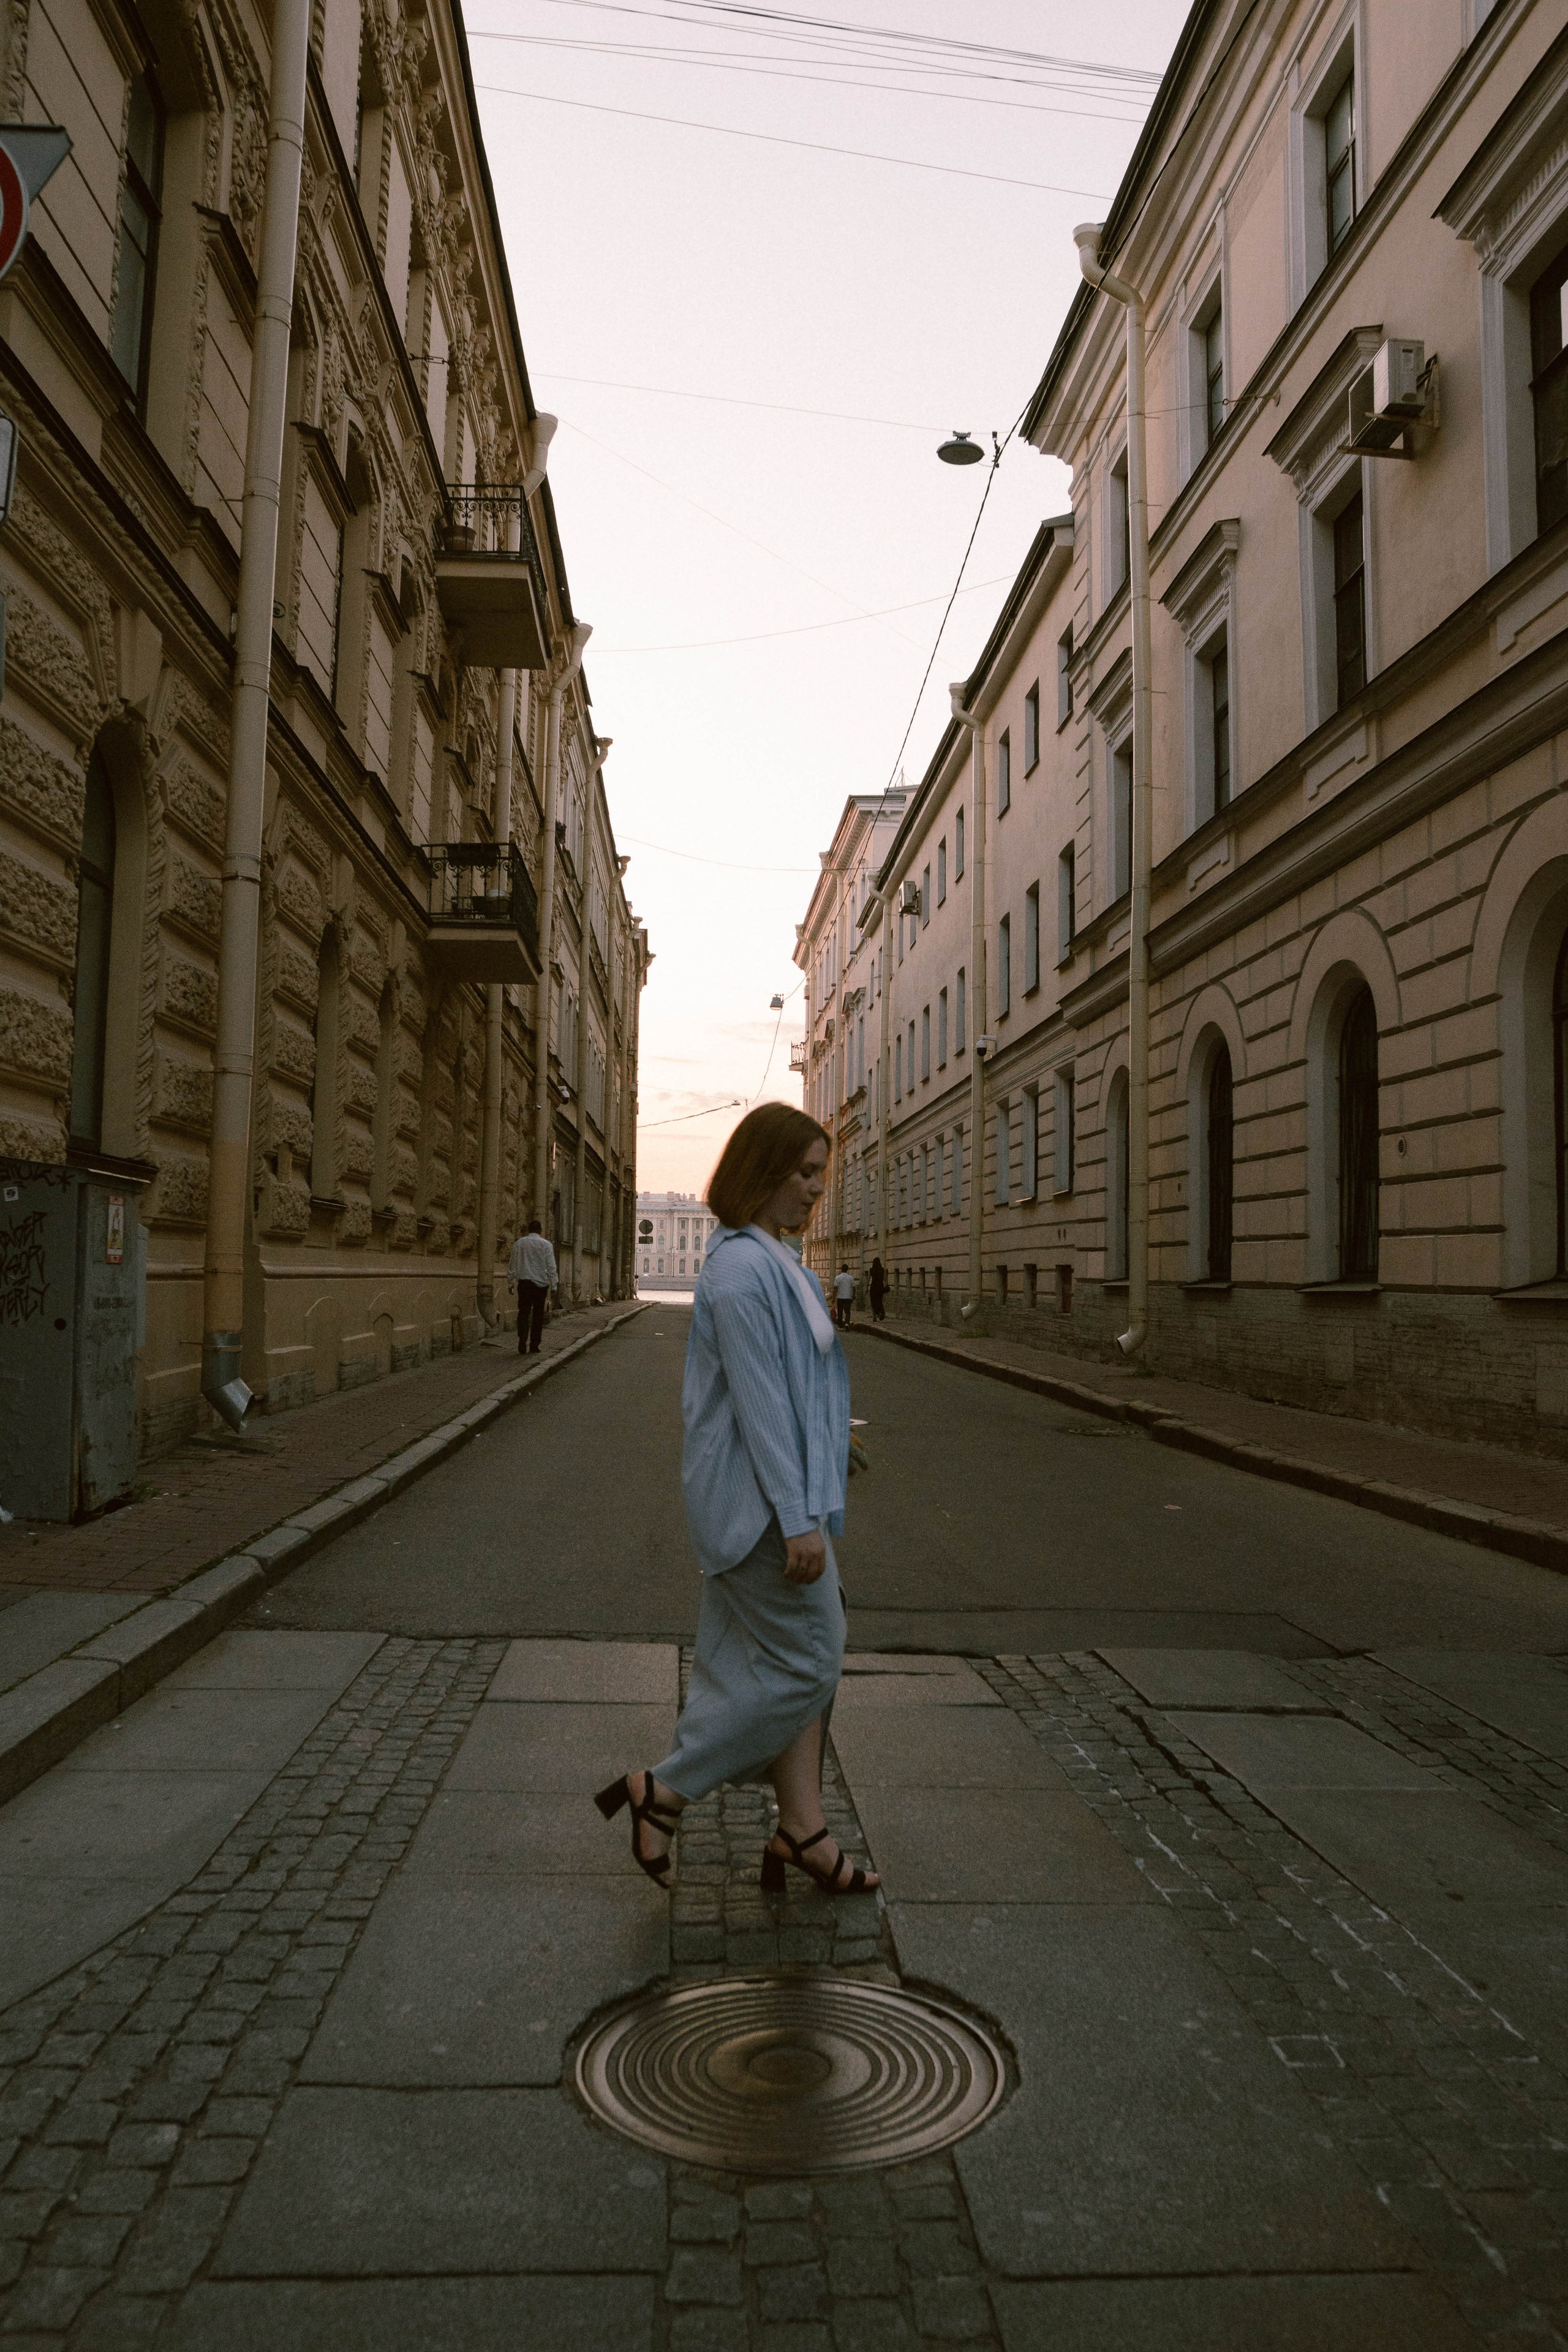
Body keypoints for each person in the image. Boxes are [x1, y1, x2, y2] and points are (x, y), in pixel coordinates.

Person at [595, 1102, 878, 1899]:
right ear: (761, 1173)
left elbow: (795, 1388)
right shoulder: (744, 1269)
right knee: (815, 1660)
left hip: (773, 1496)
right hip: (762, 1510)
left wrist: (833, 1445)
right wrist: (798, 1519)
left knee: (740, 1668)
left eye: (823, 1173)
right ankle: (666, 1790)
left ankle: (803, 1831)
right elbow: (758, 1401)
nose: (818, 1189)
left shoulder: (770, 1257)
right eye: (804, 1172)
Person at [508, 1218, 557, 1355]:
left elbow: (513, 1264)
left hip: (525, 1283)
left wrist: (510, 1282)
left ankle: (522, 1341)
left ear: (529, 1230)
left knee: (523, 1312)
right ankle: (535, 1345)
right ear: (540, 1231)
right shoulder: (546, 1245)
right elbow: (551, 1266)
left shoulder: (520, 1243)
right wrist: (554, 1285)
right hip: (541, 1285)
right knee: (538, 1315)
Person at [833, 1264, 854, 1329]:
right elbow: (854, 1288)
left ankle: (840, 1326)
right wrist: (854, 1295)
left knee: (840, 1312)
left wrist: (834, 1298)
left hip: (840, 1297)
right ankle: (847, 1323)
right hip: (848, 1297)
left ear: (841, 1269)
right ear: (847, 1270)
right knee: (848, 1312)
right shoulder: (851, 1278)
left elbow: (835, 1289)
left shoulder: (838, 1278)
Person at [868, 1256, 887, 1323]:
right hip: (880, 1287)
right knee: (879, 1301)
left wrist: (867, 1288)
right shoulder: (882, 1270)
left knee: (873, 1302)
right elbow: (885, 1279)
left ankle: (874, 1317)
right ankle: (882, 1312)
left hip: (873, 1287)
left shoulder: (871, 1270)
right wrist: (886, 1286)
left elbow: (868, 1279)